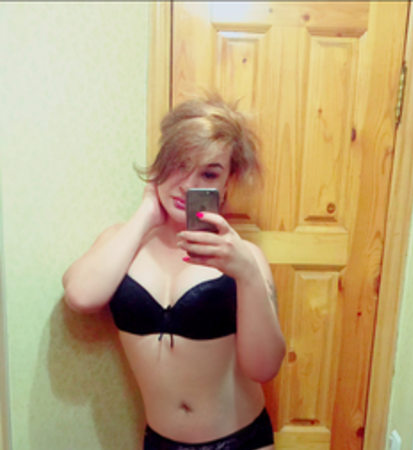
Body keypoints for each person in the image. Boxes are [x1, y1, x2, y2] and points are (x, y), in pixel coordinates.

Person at [62, 95, 286, 450]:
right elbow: (81, 296)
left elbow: (264, 368)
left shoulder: (245, 258)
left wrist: (246, 273)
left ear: (227, 183)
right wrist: (147, 212)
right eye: (179, 164)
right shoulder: (123, 241)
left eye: (209, 173)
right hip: (160, 442)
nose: (187, 184)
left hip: (240, 441)